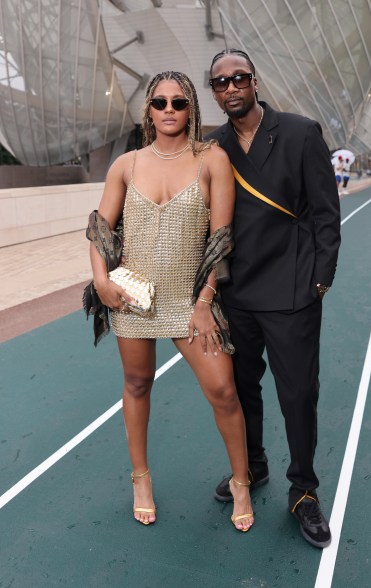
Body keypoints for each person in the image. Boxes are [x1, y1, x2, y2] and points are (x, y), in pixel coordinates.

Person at [86, 71, 255, 532]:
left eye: (178, 103)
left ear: (191, 109)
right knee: (137, 383)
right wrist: (101, 282)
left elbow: (221, 241)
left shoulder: (212, 160)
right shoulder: (127, 164)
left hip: (190, 299)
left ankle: (241, 481)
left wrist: (204, 301)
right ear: (148, 110)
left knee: (223, 389)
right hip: (133, 298)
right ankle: (140, 478)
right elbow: (100, 229)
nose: (168, 111)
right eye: (159, 103)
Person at [206, 49, 341, 548]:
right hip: (237, 292)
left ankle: (304, 491)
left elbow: (327, 214)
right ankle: (253, 467)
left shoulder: (301, 132)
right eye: (220, 82)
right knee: (242, 390)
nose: (231, 87)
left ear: (255, 81)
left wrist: (319, 280)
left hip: (292, 292)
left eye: (239, 77)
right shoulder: (213, 146)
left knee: (298, 395)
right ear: (214, 91)